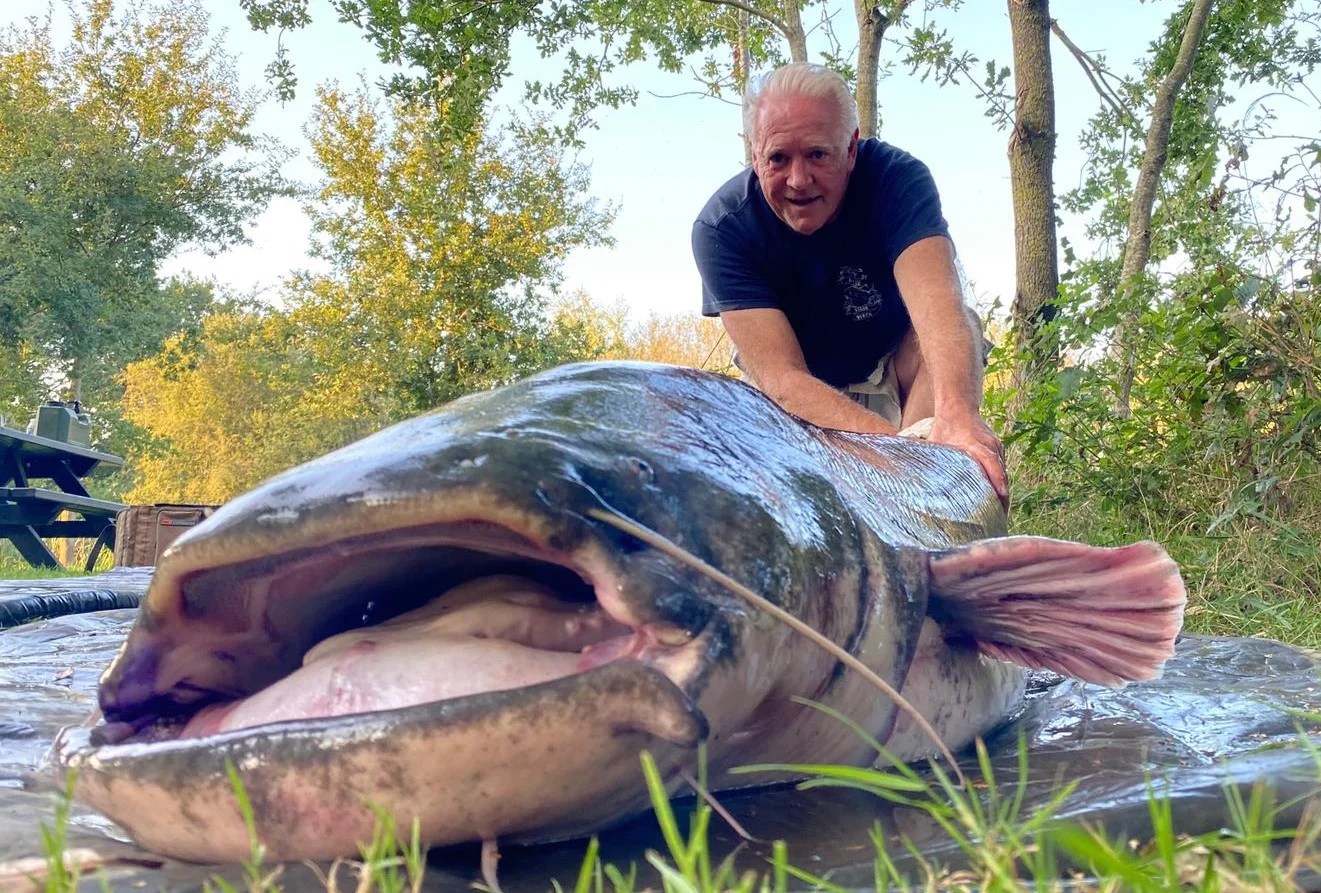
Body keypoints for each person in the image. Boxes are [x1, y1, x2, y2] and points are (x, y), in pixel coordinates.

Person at [692, 62, 1008, 505]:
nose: (799, 180)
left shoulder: (896, 180)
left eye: (818, 154)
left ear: (852, 149)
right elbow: (783, 379)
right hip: (800, 399)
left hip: (892, 372)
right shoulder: (722, 229)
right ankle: (912, 474)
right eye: (778, 158)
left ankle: (927, 492)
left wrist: (956, 420)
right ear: (754, 154)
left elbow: (939, 305)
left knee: (962, 330)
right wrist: (899, 453)